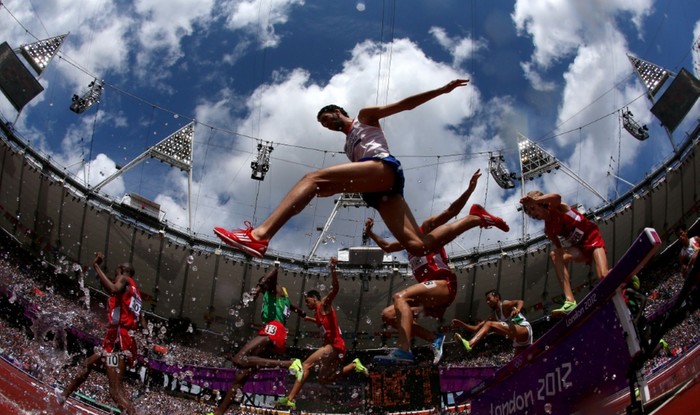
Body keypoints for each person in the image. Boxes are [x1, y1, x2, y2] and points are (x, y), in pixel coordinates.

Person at [214, 79, 508, 258]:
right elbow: (350, 177)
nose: (327, 124)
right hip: (376, 190)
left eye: (327, 118)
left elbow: (405, 105)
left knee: (311, 178)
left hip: (383, 168)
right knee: (418, 247)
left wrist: (441, 91)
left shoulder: (365, 118)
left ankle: (259, 237)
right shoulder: (346, 148)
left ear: (338, 110)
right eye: (323, 125)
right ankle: (475, 219)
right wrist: (332, 188)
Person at [365, 169, 488, 364]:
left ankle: (404, 350)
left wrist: (469, 190)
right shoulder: (407, 244)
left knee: (399, 297)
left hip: (443, 284)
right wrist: (370, 233)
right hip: (430, 297)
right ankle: (434, 339)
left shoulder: (426, 228)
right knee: (388, 315)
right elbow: (387, 246)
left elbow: (451, 212)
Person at [198, 265, 306, 415]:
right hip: (277, 332)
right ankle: (218, 414)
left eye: (264, 287)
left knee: (238, 358)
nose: (262, 292)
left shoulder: (273, 291)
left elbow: (275, 269)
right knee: (240, 377)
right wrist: (302, 313)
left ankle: (289, 363)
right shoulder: (284, 298)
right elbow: (294, 308)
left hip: (273, 329)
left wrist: (258, 287)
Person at [56, 252, 149, 415]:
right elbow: (142, 321)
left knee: (115, 391)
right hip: (117, 339)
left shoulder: (125, 281)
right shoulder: (136, 293)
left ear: (123, 272)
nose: (116, 277)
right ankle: (64, 396)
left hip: (118, 342)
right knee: (87, 363)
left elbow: (113, 289)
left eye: (116, 273)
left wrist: (96, 266)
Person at [276, 257, 368, 409]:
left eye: (307, 301)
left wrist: (333, 268)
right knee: (323, 380)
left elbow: (336, 289)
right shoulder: (318, 315)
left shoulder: (324, 305)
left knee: (305, 365)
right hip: (337, 349)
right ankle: (353, 365)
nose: (306, 304)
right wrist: (309, 319)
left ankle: (290, 399)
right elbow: (323, 323)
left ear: (314, 298)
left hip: (334, 346)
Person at [520, 191, 609, 316]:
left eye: (533, 209)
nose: (533, 214)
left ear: (541, 203)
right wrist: (564, 260)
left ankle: (627, 275)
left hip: (592, 238)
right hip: (579, 249)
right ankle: (570, 301)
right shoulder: (548, 230)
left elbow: (557, 197)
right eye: (529, 213)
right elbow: (560, 249)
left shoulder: (558, 207)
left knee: (603, 276)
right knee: (555, 255)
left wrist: (535, 200)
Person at [452, 289, 533, 356]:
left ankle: (470, 344)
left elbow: (520, 301)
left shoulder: (505, 304)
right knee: (514, 367)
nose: (487, 302)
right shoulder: (493, 316)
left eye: (489, 299)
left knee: (489, 324)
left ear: (496, 297)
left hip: (524, 329)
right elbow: (476, 328)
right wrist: (462, 324)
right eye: (486, 301)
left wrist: (517, 309)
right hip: (519, 342)